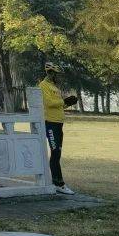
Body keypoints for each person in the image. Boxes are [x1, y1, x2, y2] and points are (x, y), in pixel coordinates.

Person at [39, 62, 79, 194]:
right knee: (55, 152)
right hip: (50, 123)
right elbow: (49, 103)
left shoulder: (54, 87)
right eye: (57, 74)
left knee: (57, 153)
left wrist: (68, 103)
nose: (59, 77)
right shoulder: (43, 86)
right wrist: (64, 101)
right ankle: (59, 184)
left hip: (58, 123)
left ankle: (57, 182)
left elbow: (59, 106)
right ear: (50, 73)